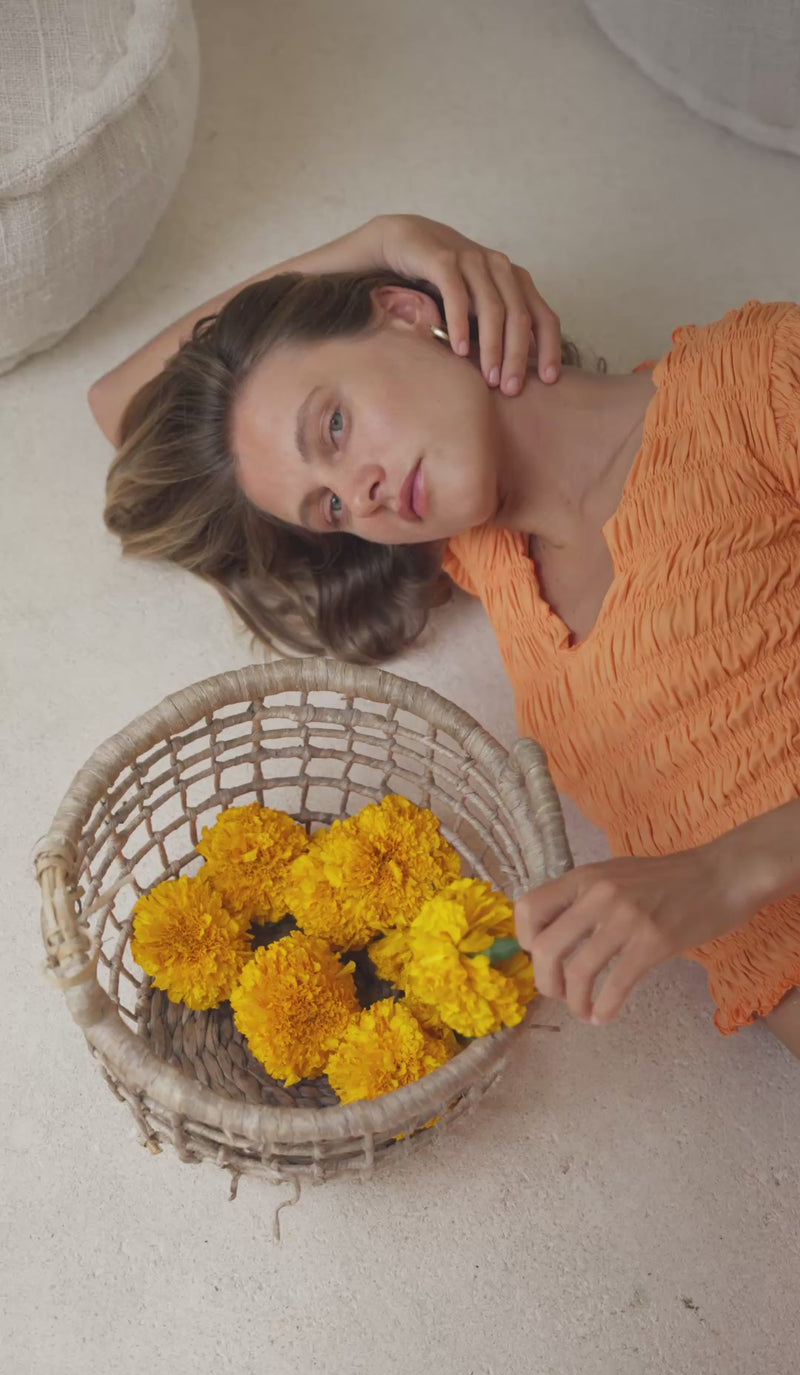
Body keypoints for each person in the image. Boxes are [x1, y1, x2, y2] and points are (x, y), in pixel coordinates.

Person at [90, 213, 800, 1057]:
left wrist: (388, 242)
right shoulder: (486, 559)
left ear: (402, 313)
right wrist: (373, 247)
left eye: (335, 427)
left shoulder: (753, 383)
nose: (365, 492)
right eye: (333, 508)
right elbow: (123, 412)